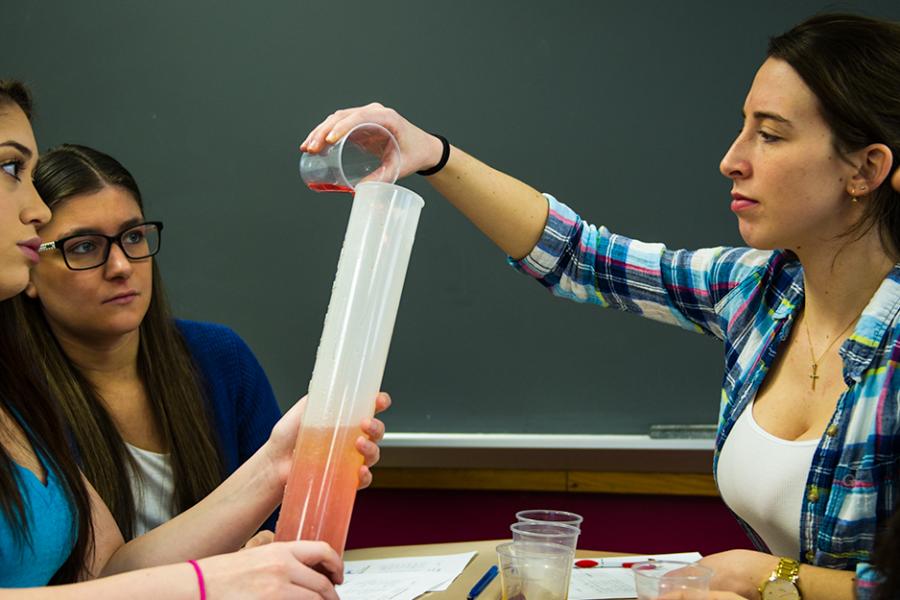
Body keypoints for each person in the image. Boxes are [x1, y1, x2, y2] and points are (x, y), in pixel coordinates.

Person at [301, 12, 899, 600]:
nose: (732, 159)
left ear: (866, 169)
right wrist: (433, 154)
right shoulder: (758, 291)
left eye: (769, 134)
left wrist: (768, 578)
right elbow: (581, 257)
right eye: (743, 127)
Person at [0, 80, 385, 597]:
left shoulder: (12, 387)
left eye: (134, 237)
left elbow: (107, 573)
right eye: (10, 169)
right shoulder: (35, 381)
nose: (38, 210)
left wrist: (275, 465)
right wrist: (211, 582)